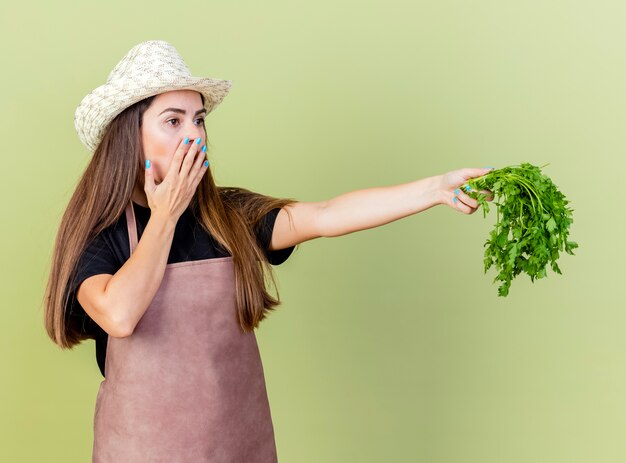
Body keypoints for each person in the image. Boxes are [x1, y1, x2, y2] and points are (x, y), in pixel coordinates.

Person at [43, 40, 493, 462]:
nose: (194, 135)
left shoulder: (226, 216)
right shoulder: (99, 234)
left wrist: (435, 189)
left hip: (238, 443)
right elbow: (118, 316)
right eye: (173, 120)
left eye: (199, 119)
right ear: (130, 135)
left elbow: (325, 215)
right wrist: (165, 216)